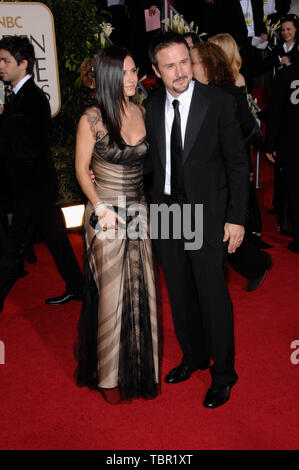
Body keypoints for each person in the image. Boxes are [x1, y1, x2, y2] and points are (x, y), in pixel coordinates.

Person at [146, 31, 249, 408]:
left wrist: (236, 218)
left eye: (184, 61)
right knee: (180, 291)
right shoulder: (153, 105)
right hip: (169, 212)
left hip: (208, 214)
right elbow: (149, 160)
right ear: (156, 70)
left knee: (212, 294)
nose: (180, 71)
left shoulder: (218, 101)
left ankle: (223, 374)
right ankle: (193, 357)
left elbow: (238, 164)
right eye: (170, 65)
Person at [75, 45, 160, 404]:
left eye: (134, 70)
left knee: (142, 289)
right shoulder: (91, 118)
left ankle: (141, 369)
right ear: (109, 75)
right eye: (125, 72)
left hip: (138, 211)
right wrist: (100, 206)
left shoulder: (142, 111)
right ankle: (109, 374)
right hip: (106, 212)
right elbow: (81, 169)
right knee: (111, 292)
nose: (133, 78)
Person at [0, 36, 83, 312]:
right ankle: (78, 287)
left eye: (5, 61)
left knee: (13, 249)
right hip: (31, 187)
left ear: (24, 64)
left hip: (32, 188)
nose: (0, 66)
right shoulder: (15, 96)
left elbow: (32, 148)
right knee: (56, 238)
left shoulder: (33, 100)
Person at [191, 39, 272, 291]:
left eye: (191, 62)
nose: (186, 68)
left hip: (227, 174)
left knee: (224, 236)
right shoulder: (191, 94)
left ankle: (257, 264)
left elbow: (249, 130)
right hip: (203, 178)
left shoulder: (228, 93)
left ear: (206, 65)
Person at [265, 60, 299, 253]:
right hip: (291, 143)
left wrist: (270, 143)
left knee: (294, 190)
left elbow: (275, 112)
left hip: (291, 143)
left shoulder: (285, 75)